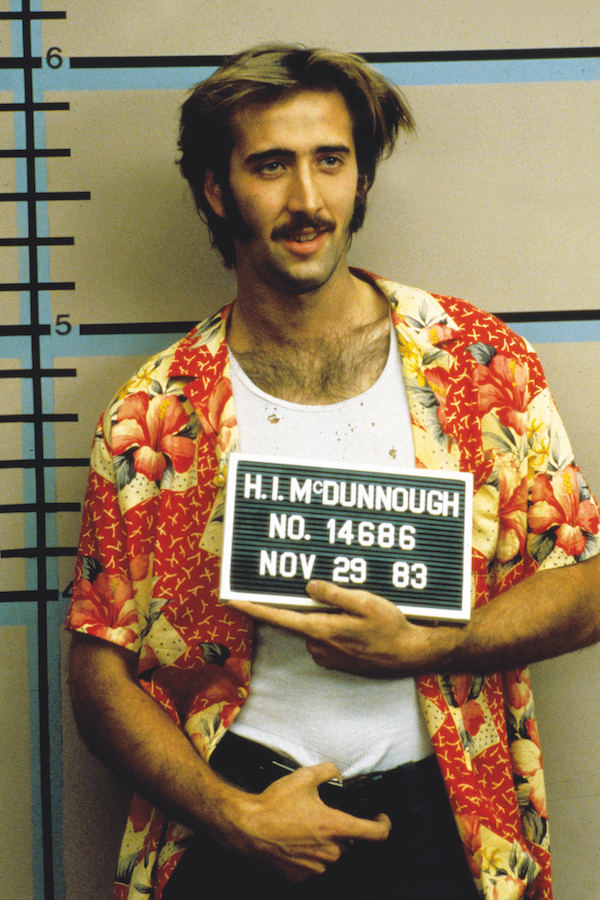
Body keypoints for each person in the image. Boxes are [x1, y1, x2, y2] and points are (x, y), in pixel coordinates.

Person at [66, 44, 600, 900]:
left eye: (331, 161)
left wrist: (438, 644)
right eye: (271, 166)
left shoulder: (478, 364)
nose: (306, 200)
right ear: (216, 189)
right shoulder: (154, 412)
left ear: (360, 179)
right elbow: (98, 674)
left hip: (444, 821)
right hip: (235, 818)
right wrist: (232, 815)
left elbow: (586, 588)